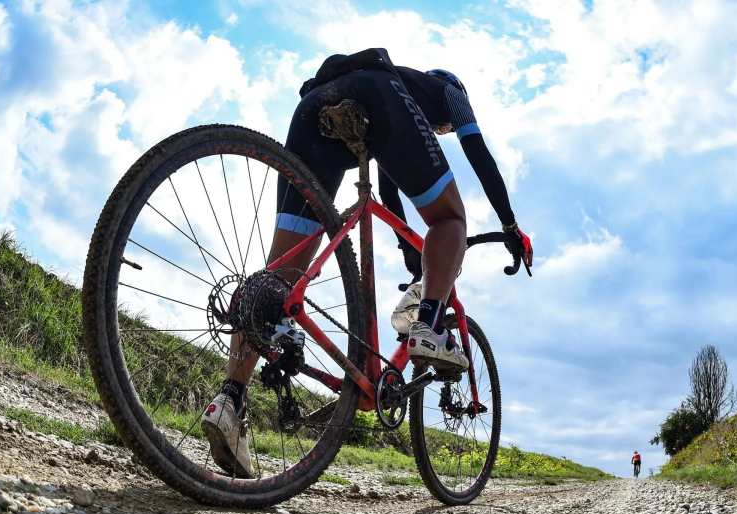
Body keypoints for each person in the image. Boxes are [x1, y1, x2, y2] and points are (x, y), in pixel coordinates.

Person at [199, 48, 533, 478]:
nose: (443, 129)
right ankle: (427, 326)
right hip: (378, 95)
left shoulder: (407, 84)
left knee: (279, 277)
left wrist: (408, 246)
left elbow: (393, 188)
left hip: (313, 105)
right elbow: (479, 156)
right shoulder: (449, 90)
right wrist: (510, 225)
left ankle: (229, 401)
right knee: (450, 219)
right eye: (444, 129)